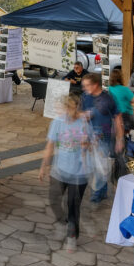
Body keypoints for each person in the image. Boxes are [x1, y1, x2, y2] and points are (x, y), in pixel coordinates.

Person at [39, 94, 93, 252]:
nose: (69, 111)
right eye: (67, 107)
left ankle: (72, 236)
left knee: (73, 206)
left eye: (72, 107)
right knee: (54, 200)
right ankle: (63, 225)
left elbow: (90, 145)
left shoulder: (84, 123)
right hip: (59, 171)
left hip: (79, 173)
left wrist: (86, 143)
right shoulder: (57, 123)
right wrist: (44, 166)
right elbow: (50, 145)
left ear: (77, 107)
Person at [82, 74, 123, 204]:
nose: (85, 88)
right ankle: (103, 191)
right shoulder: (85, 97)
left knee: (100, 165)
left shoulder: (108, 98)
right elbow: (80, 115)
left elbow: (118, 118)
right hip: (89, 136)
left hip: (104, 137)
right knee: (96, 165)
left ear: (95, 85)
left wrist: (120, 139)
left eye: (87, 85)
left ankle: (97, 193)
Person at [107, 68, 134, 132]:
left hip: (113, 115)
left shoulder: (109, 89)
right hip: (125, 115)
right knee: (126, 134)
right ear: (120, 78)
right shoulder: (125, 89)